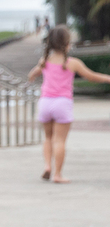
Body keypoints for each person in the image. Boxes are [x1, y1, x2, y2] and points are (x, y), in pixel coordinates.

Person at [27, 25, 110, 183]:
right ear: (67, 44)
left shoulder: (44, 60)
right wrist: (107, 78)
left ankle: (47, 166)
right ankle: (57, 174)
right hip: (62, 104)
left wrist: (31, 77)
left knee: (48, 137)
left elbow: (33, 74)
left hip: (45, 102)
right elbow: (90, 76)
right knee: (60, 141)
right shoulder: (72, 63)